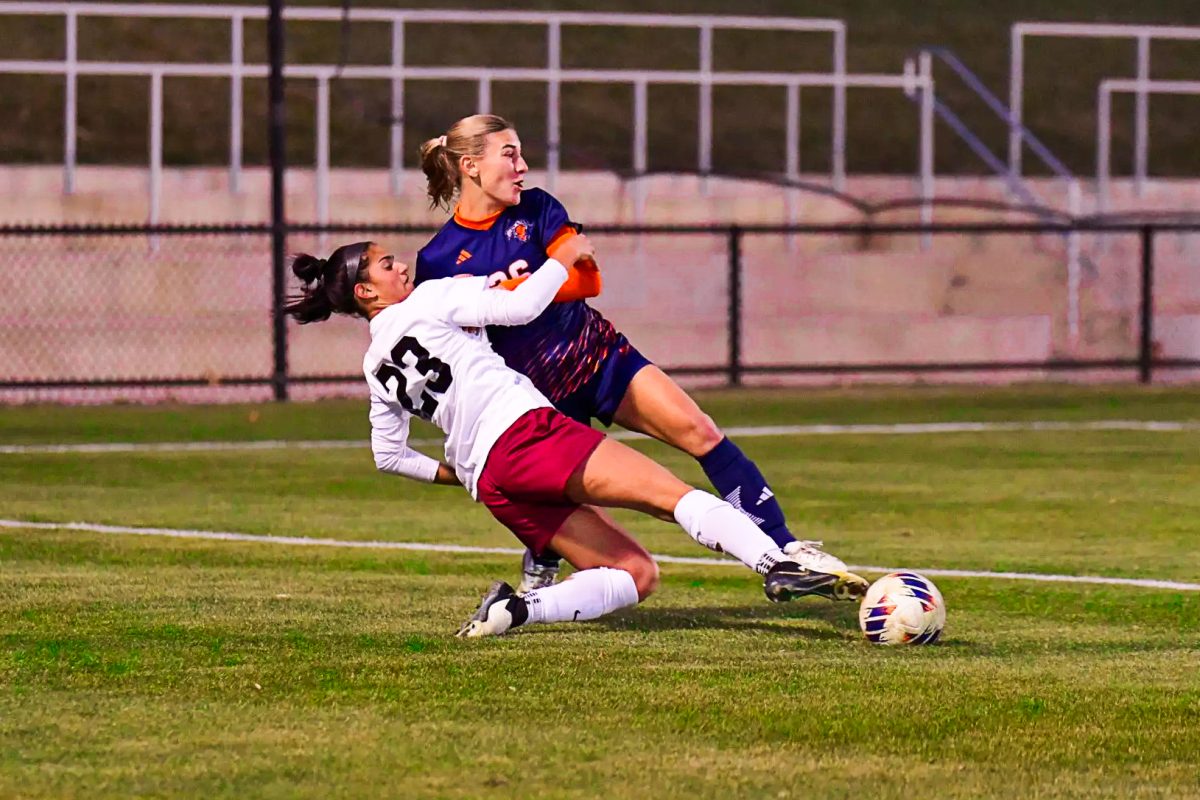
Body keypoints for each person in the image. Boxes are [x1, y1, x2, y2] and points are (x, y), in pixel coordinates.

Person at [283, 238, 868, 637]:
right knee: (673, 496)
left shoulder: (373, 363)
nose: (400, 266)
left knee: (636, 575)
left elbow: (388, 456)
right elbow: (522, 307)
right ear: (365, 291)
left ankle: (519, 610)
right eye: (386, 264)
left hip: (491, 480)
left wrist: (453, 472)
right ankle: (774, 562)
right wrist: (561, 258)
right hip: (527, 434)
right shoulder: (430, 299)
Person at [415, 114, 856, 595]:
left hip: (597, 357)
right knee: (573, 496)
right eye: (510, 155)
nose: (522, 166)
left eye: (521, 153)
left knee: (700, 430)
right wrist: (534, 283)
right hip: (532, 397)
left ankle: (788, 551)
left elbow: (587, 279)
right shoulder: (437, 260)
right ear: (470, 166)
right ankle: (544, 552)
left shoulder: (538, 208)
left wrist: (504, 294)